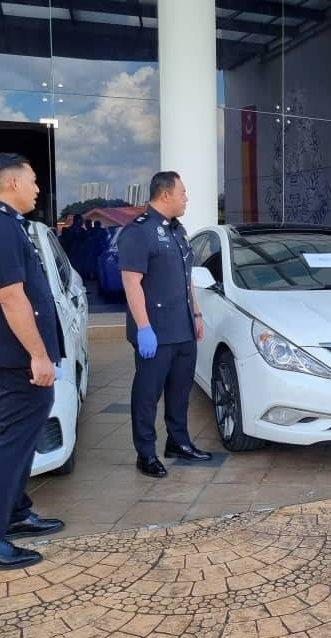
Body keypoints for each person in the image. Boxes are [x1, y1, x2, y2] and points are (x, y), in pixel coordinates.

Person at [0, 153, 65, 571]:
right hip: (21, 359)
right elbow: (11, 297)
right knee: (12, 444)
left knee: (24, 437)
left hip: (21, 357)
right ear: (13, 184)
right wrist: (38, 355)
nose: (38, 188)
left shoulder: (6, 223)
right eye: (34, 180)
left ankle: (17, 513)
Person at [118, 171, 211, 478]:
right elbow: (131, 284)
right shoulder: (138, 232)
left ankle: (178, 442)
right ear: (165, 194)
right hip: (156, 331)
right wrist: (143, 329)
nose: (186, 198)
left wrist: (196, 315)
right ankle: (145, 453)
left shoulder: (177, 230)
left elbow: (187, 281)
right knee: (147, 394)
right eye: (182, 192)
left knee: (180, 390)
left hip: (182, 327)